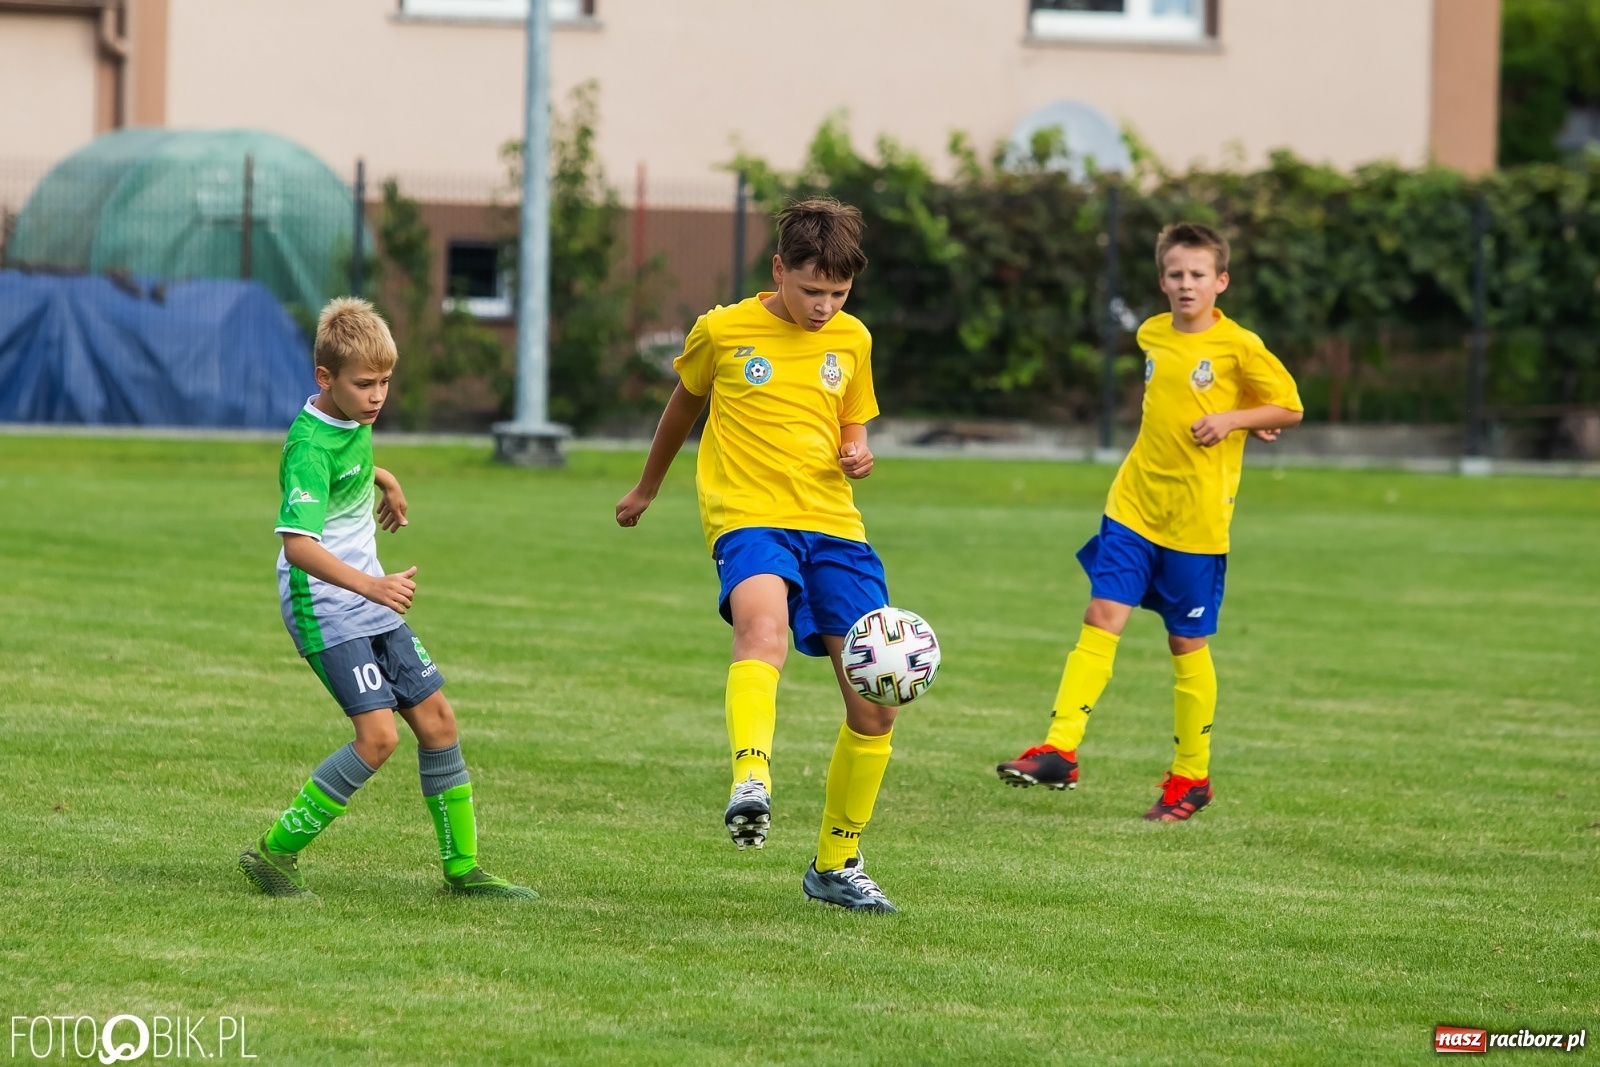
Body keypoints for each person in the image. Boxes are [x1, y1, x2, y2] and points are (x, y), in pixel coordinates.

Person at [616, 199, 901, 912]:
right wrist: (647, 487)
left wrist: (859, 451)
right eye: (812, 290)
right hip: (748, 518)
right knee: (762, 629)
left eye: (838, 294)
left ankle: (837, 861)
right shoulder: (723, 329)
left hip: (836, 526)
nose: (824, 307)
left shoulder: (853, 340)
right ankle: (751, 777)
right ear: (779, 269)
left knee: (874, 703)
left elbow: (852, 422)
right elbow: (682, 408)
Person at [996, 222, 1303, 820]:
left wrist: (1237, 420)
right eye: (1175, 274)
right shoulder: (1152, 333)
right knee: (1100, 614)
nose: (1186, 285)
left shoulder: (1239, 345)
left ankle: (1192, 778)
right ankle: (1059, 749)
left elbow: (1288, 406)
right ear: (1162, 280)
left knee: (1185, 641)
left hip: (1196, 523)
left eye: (1198, 275)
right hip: (1133, 506)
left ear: (1221, 281)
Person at [237, 297, 536, 899]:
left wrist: (388, 479)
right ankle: (275, 853)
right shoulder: (308, 446)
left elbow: (355, 456)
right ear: (326, 379)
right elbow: (298, 545)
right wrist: (373, 583)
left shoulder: (351, 421)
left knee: (439, 721)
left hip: (370, 596)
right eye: (365, 384)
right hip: (325, 604)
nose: (378, 396)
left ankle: (463, 869)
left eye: (386, 383)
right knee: (378, 738)